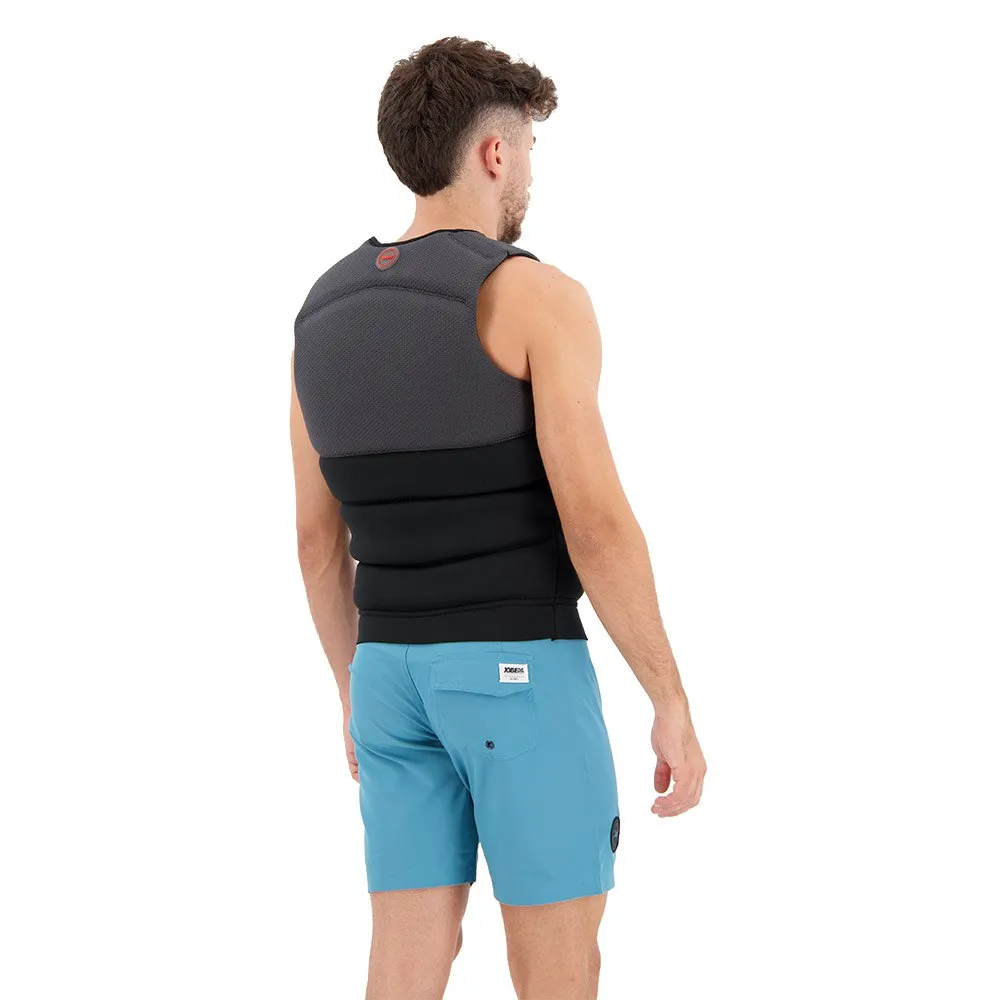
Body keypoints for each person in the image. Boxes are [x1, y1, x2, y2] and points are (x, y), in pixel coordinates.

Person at [289, 36, 706, 1000]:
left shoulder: (321, 313)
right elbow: (595, 523)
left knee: (403, 963)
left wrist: (352, 689)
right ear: (492, 153)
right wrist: (669, 698)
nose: (528, 173)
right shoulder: (533, 296)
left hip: (386, 680)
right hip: (518, 676)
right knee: (557, 969)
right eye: (527, 149)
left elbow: (315, 542)